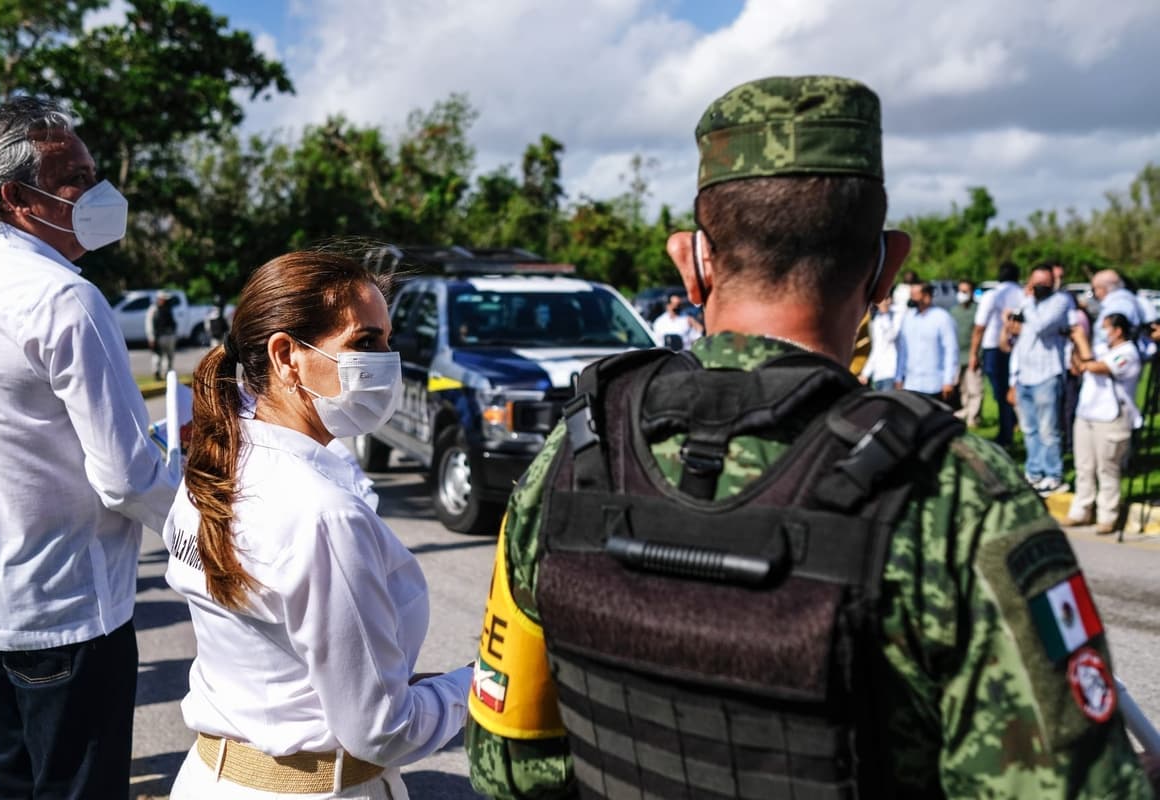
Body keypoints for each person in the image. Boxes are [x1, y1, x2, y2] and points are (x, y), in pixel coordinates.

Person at [466, 75, 1149, 798]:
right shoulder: (954, 494)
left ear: (691, 261)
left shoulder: (575, 456)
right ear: (887, 266)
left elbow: (506, 767)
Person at [165, 250, 470, 799]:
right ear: (287, 356)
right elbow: (384, 731)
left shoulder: (218, 464)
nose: (387, 360)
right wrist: (481, 683)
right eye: (364, 342)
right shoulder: (322, 514)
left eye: (387, 340)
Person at [0, 96, 178, 798]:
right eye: (75, 179)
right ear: (14, 198)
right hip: (68, 610)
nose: (96, 192)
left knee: (12, 780)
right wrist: (212, 517)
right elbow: (126, 477)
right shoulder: (64, 300)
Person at [1065, 314, 1143, 534]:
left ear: (1118, 330)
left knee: (1107, 468)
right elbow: (1079, 367)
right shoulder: (1100, 347)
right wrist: (1074, 346)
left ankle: (1108, 514)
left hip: (1112, 417)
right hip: (1087, 414)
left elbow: (1098, 367)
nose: (1101, 332)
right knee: (1084, 466)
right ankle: (1081, 510)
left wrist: (1082, 342)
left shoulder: (1128, 353)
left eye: (1105, 327)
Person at [1007, 265, 1073, 496]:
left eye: (1044, 283)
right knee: (1029, 429)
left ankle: (1053, 475)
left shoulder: (1060, 302)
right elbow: (1018, 342)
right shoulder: (1027, 304)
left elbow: (1040, 326)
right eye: (1035, 283)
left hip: (1047, 374)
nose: (1039, 288)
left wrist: (1028, 303)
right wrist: (1012, 378)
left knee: (1048, 430)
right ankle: (1034, 472)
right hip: (1025, 374)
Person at [970, 261, 1024, 447]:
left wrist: (973, 354)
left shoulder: (993, 295)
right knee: (1012, 391)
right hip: (1019, 347)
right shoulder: (1023, 294)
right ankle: (1011, 426)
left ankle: (1006, 433)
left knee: (1001, 394)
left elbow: (979, 327)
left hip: (994, 348)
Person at [896, 280, 959, 401]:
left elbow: (951, 350)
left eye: (915, 294)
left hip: (934, 384)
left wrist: (948, 380)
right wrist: (899, 377)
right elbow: (902, 350)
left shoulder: (942, 318)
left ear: (926, 295)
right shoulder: (908, 318)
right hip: (911, 383)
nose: (912, 298)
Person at [950, 278, 982, 425]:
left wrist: (974, 355)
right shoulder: (954, 311)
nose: (962, 294)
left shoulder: (977, 310)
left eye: (965, 291)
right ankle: (966, 412)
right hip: (958, 357)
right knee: (963, 389)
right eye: (960, 291)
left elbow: (979, 333)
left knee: (974, 388)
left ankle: (973, 418)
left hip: (972, 355)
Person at [858, 294, 900, 390]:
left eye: (887, 299)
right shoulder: (876, 320)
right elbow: (876, 349)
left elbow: (891, 336)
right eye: (882, 299)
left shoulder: (896, 316)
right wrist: (866, 373)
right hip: (877, 374)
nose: (884, 302)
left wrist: (885, 315)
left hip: (891, 373)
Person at [147, 289, 179, 379]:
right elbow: (149, 324)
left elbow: (173, 322)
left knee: (169, 357)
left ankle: (167, 374)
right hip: (159, 336)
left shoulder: (168, 308)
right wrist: (151, 337)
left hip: (170, 335)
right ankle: (156, 372)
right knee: (157, 355)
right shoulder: (153, 309)